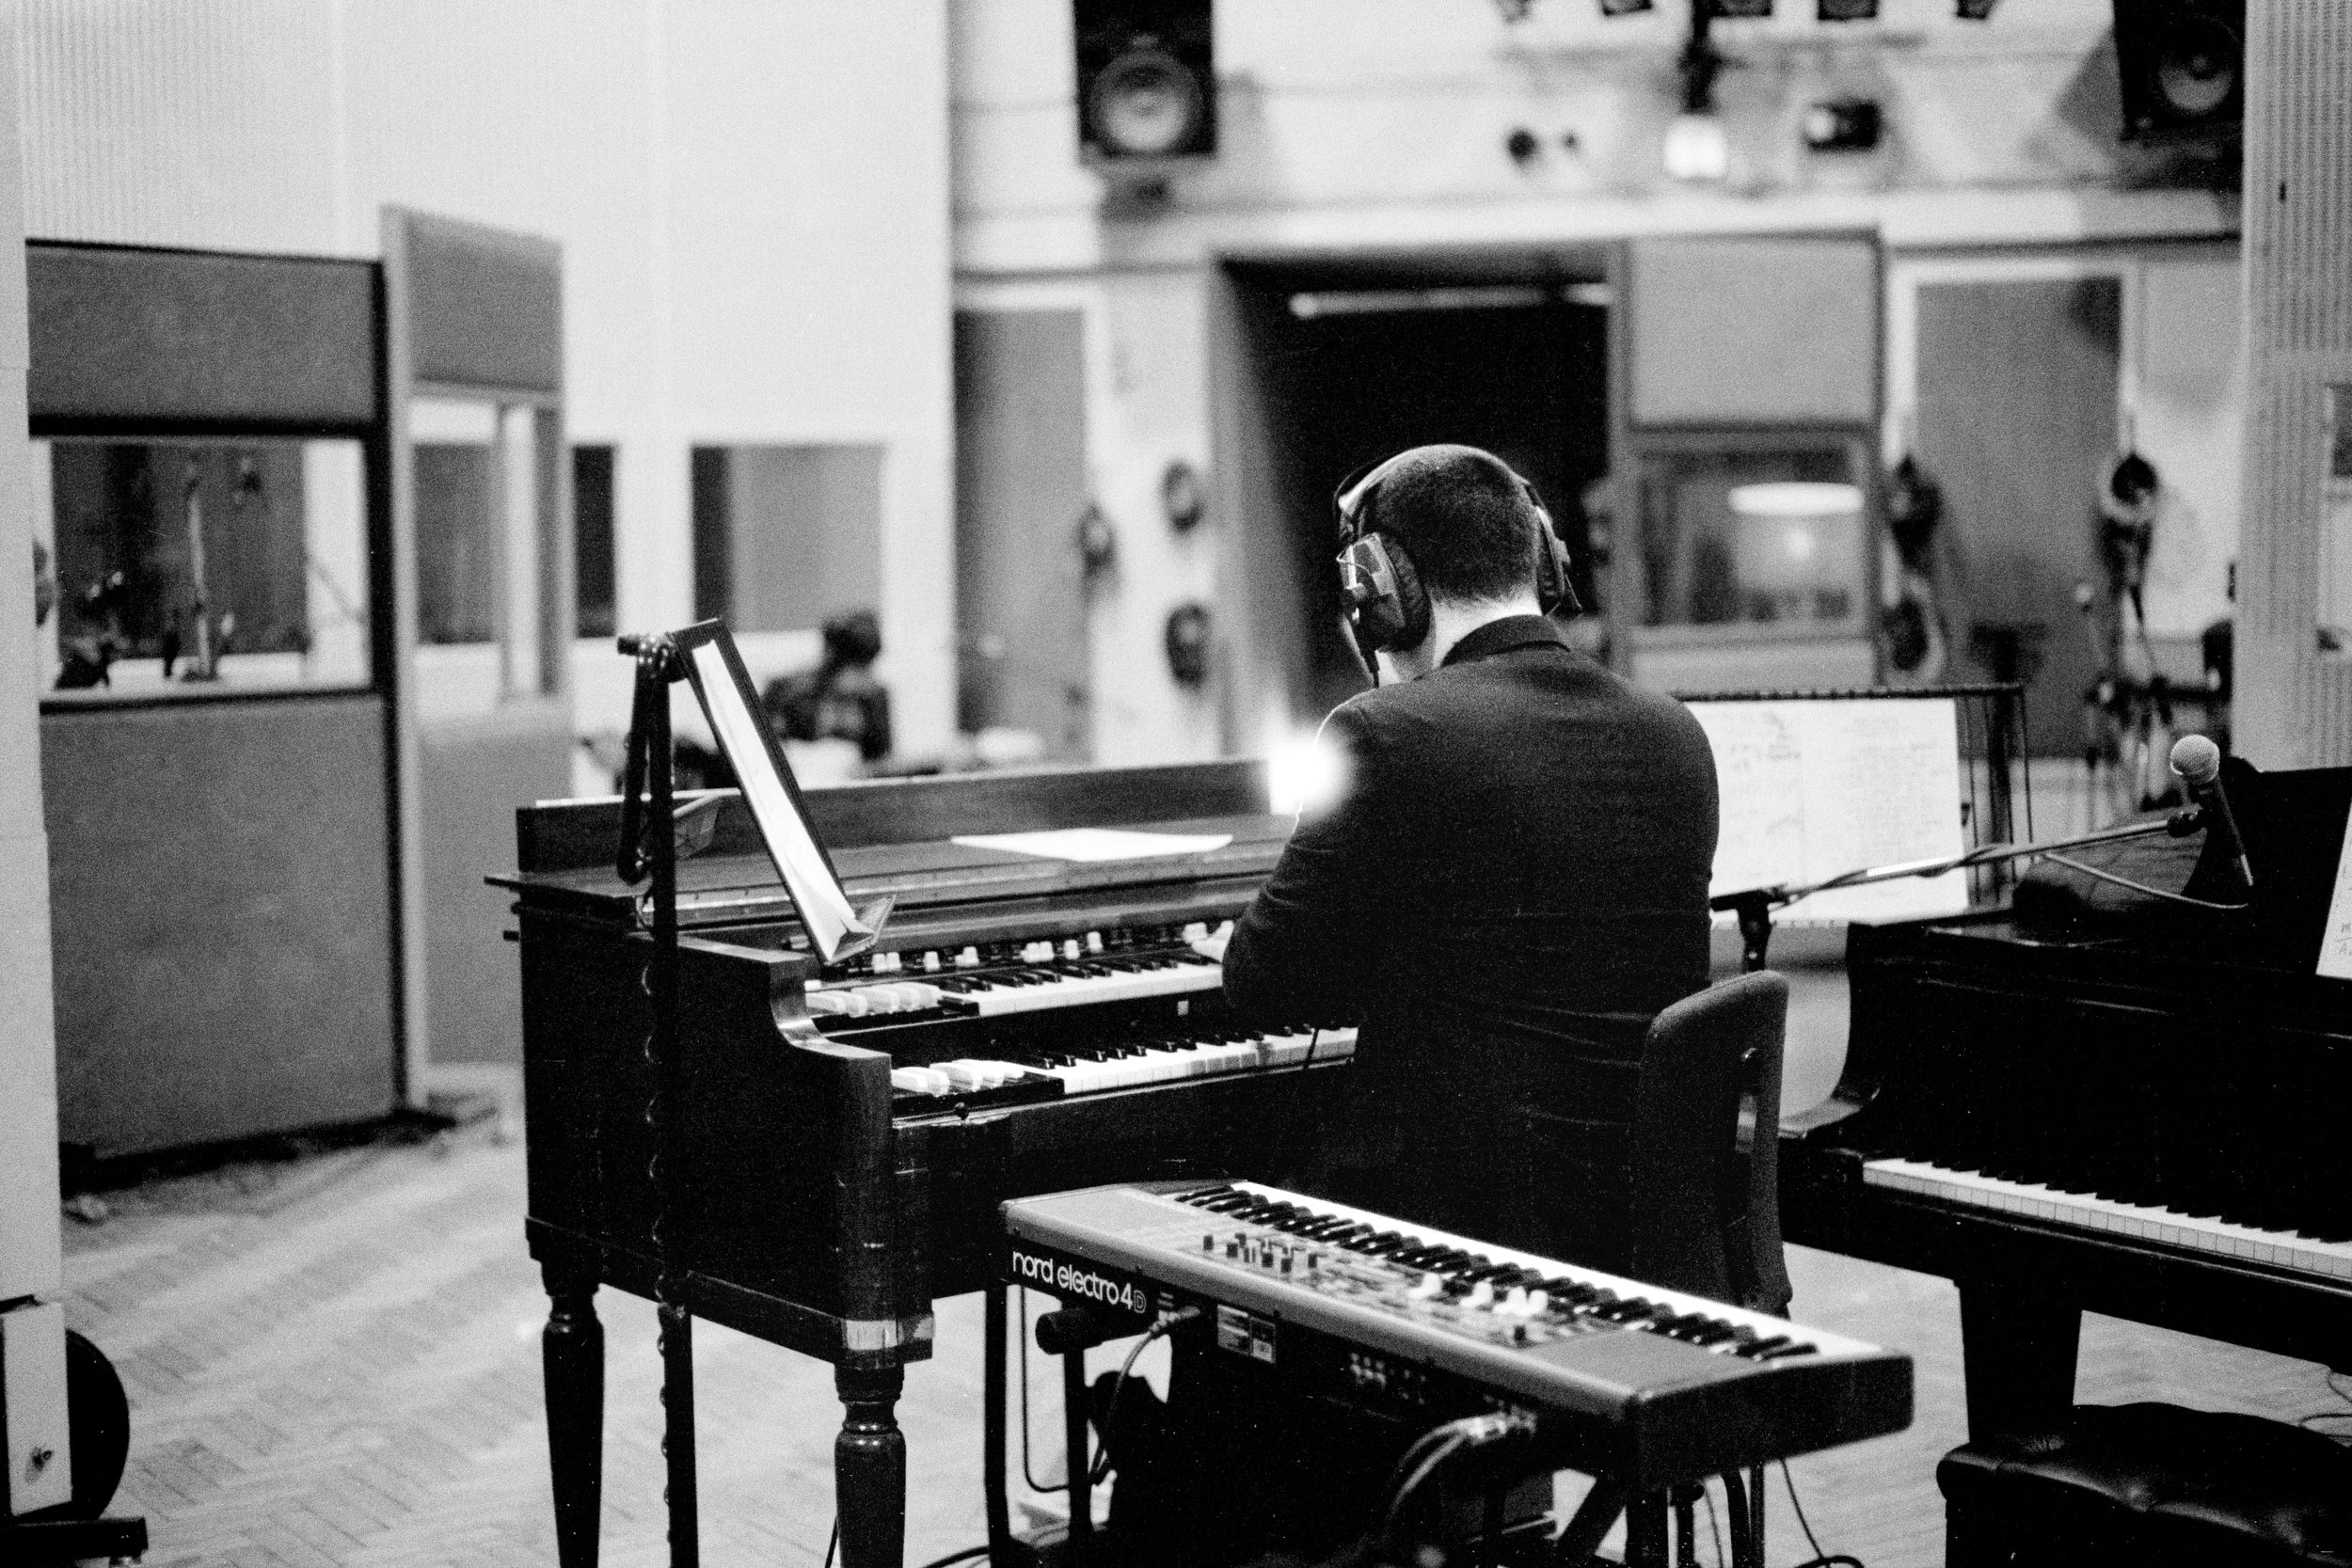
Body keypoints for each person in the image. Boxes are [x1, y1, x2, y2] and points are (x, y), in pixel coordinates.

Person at [1224, 441, 1720, 1273]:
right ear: (1546, 570)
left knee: (1222, 1247)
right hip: (1640, 1241)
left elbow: (1260, 982)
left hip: (1449, 1250)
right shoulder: (1677, 734)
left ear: (1382, 591)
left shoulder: (1384, 733)